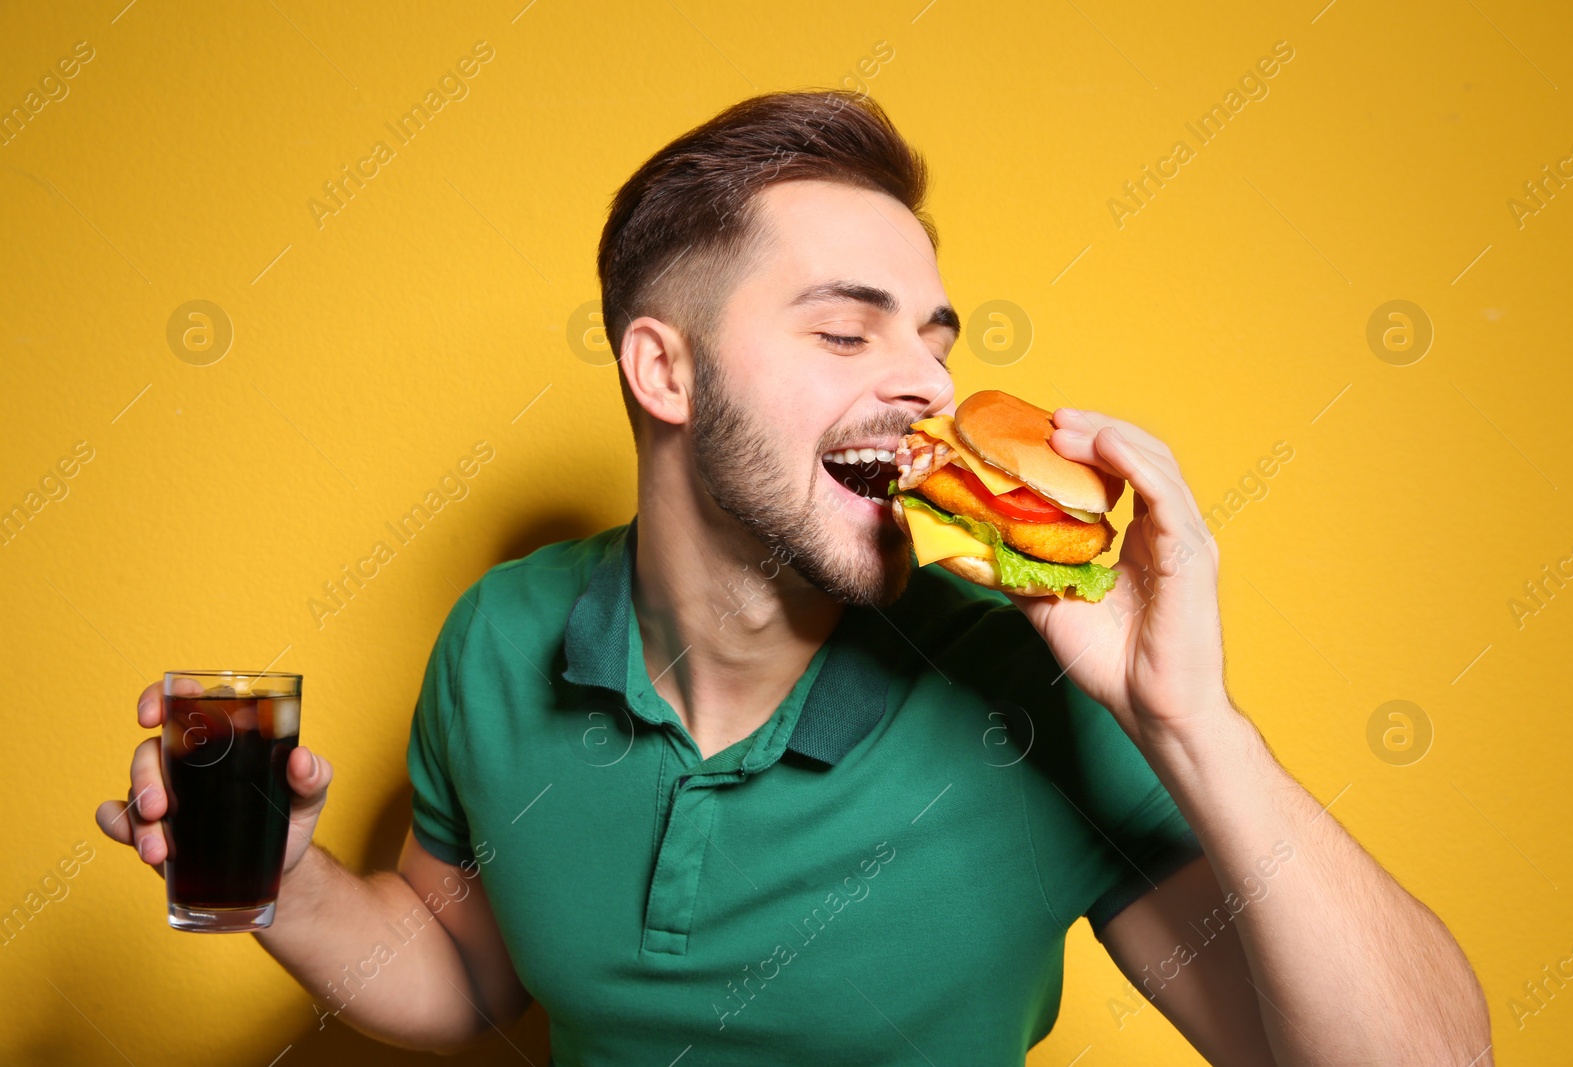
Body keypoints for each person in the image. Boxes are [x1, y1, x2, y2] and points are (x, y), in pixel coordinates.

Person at [97, 90, 1490, 1065]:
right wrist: (279, 879)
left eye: (936, 341)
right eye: (846, 333)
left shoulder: (1027, 683)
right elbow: (463, 971)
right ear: (665, 370)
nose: (929, 387)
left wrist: (1192, 720)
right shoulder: (500, 637)